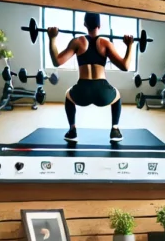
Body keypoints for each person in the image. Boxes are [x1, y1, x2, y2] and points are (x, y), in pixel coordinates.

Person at [48, 12, 135, 143]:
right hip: (102, 93)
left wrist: (52, 38)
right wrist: (130, 46)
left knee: (68, 95)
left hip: (82, 91)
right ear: (99, 25)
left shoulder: (77, 42)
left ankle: (72, 130)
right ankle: (115, 130)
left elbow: (57, 61)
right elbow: (125, 66)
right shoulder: (106, 43)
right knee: (117, 95)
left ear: (84, 24)